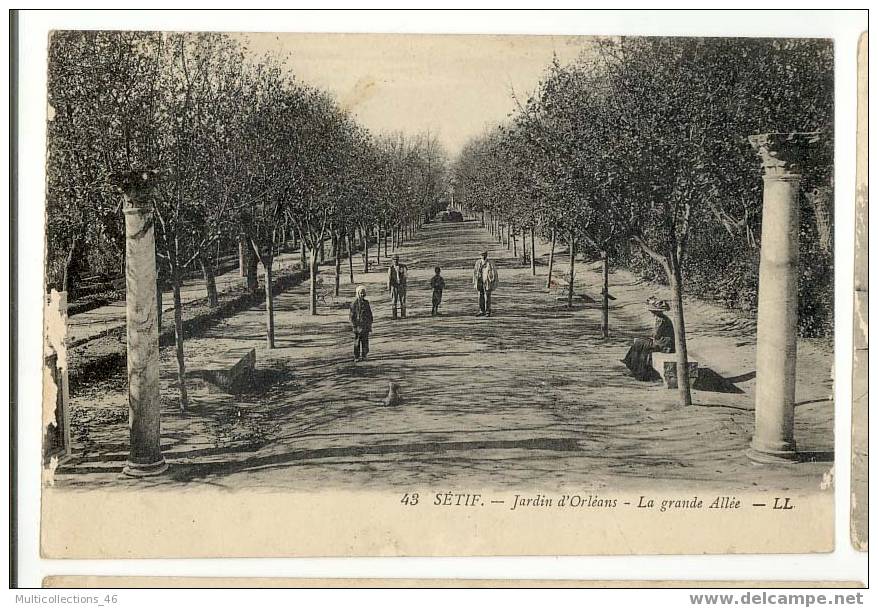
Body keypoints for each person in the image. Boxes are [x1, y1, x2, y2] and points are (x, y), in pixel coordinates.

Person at [622, 298, 675, 380]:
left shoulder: (661, 320)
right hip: (662, 342)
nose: (651, 312)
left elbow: (656, 335)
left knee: (640, 343)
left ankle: (637, 369)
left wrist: (650, 337)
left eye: (653, 311)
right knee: (639, 342)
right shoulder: (662, 318)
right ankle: (633, 365)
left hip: (664, 344)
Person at [349, 285, 373, 362]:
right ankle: (356, 356)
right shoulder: (354, 304)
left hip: (365, 325)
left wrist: (370, 323)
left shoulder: (366, 303)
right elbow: (352, 316)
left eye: (363, 293)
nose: (362, 295)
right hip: (358, 326)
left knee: (365, 341)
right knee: (357, 341)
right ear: (357, 294)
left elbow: (369, 314)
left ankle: (364, 355)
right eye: (360, 293)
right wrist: (354, 326)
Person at [473, 250, 498, 317]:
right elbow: (475, 272)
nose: (483, 256)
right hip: (480, 281)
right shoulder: (478, 262)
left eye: (484, 255)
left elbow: (494, 272)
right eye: (482, 255)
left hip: (487, 281)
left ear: (486, 255)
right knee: (480, 296)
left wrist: (492, 280)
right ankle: (481, 310)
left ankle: (488, 311)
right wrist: (475, 281)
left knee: (487, 296)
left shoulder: (490, 263)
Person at [387, 254, 408, 319]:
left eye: (396, 260)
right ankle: (394, 315)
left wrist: (404, 284)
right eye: (394, 260)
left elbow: (405, 276)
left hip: (401, 286)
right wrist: (389, 286)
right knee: (394, 300)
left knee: (403, 300)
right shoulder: (391, 268)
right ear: (392, 261)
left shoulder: (403, 267)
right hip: (394, 286)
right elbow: (389, 278)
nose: (395, 261)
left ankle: (403, 314)